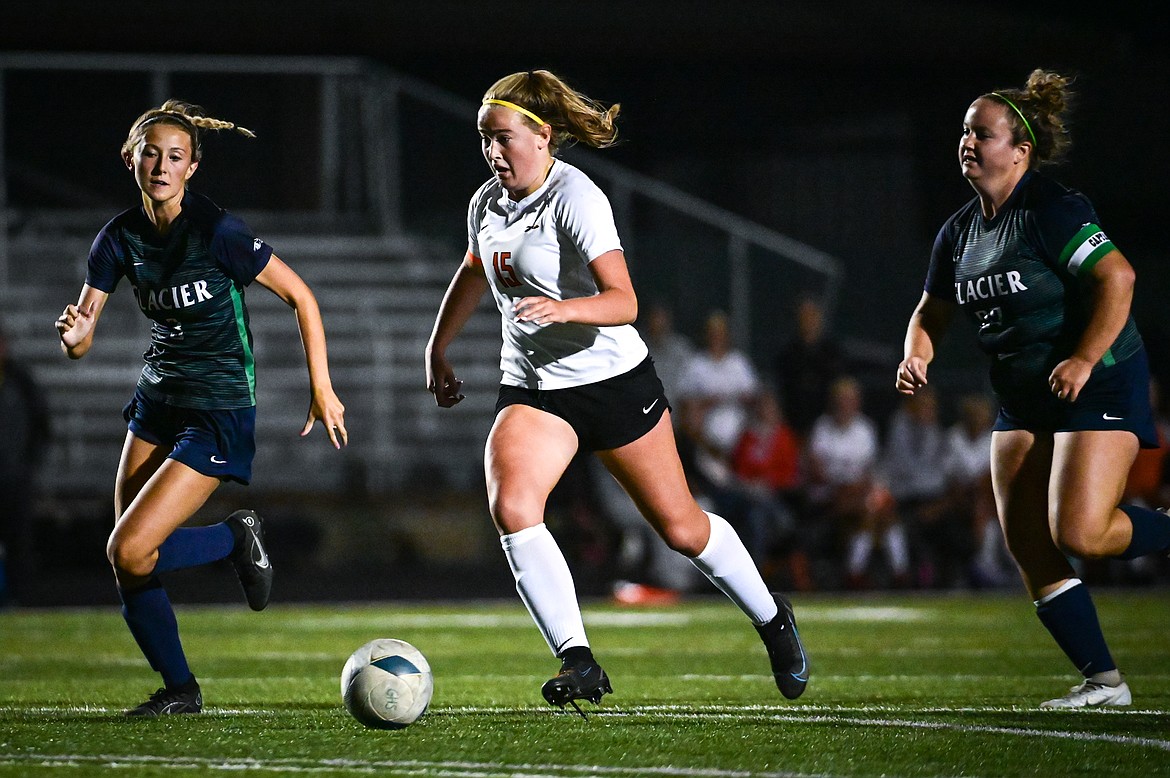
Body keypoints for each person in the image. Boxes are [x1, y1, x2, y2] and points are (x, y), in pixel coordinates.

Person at [425, 70, 807, 715]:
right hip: (535, 388)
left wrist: (564, 309)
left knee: (682, 530)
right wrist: (438, 347)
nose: (493, 152)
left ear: (543, 136)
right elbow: (472, 269)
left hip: (613, 384)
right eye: (485, 140)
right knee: (514, 505)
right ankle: (578, 659)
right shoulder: (485, 203)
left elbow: (625, 301)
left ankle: (773, 618)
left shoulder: (578, 197)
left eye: (504, 138)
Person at [55, 100, 347, 716]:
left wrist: (320, 386)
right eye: (151, 153)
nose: (162, 165)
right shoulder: (116, 240)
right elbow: (82, 339)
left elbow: (302, 297)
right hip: (157, 402)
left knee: (128, 548)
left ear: (193, 168)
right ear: (131, 159)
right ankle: (180, 689)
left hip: (218, 407)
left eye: (176, 156)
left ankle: (234, 536)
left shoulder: (218, 232)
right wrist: (76, 337)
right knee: (129, 558)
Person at [896, 70, 1170, 707]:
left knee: (1081, 533)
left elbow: (1119, 278)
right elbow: (931, 311)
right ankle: (1105, 683)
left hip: (1097, 378)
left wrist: (1081, 357)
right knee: (1026, 541)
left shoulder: (1052, 208)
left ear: (1020, 150)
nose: (967, 141)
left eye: (982, 133)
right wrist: (916, 353)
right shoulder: (959, 231)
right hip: (1022, 394)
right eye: (964, 131)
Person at [0, 321, 52, 605]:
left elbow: (41, 424)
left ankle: (20, 601)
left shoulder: (19, 380)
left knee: (19, 542)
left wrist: (27, 466)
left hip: (14, 479)